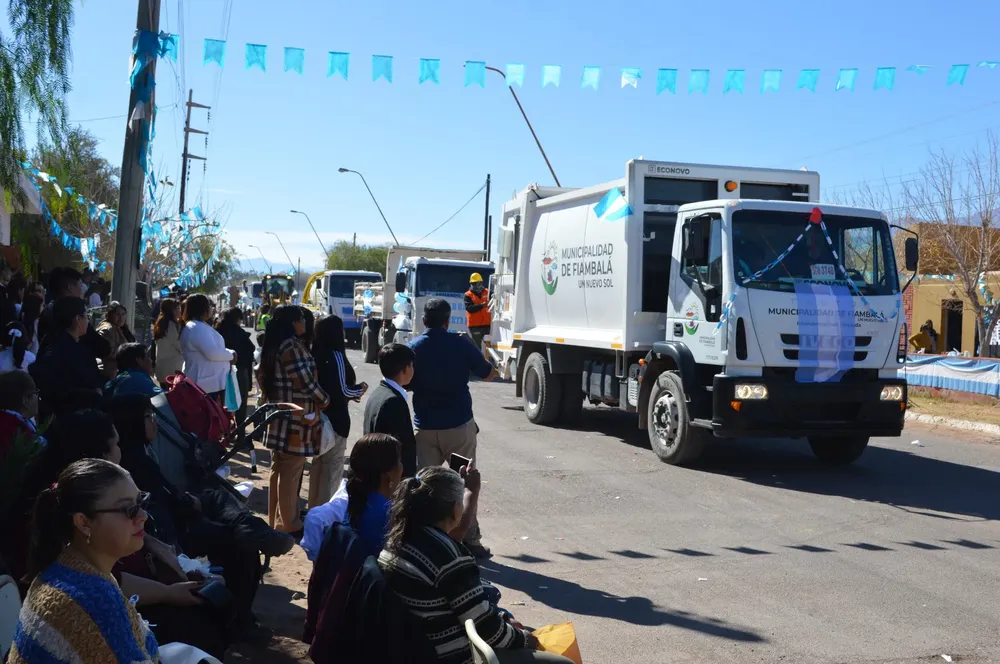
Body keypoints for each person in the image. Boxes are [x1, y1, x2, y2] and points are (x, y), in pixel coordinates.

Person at [108, 394, 279, 643]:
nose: (154, 422)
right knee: (239, 544)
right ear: (133, 422)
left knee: (217, 499)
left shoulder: (139, 455)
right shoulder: (133, 464)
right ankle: (241, 619)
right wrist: (187, 503)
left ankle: (252, 528)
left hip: (175, 518)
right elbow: (160, 506)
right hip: (175, 531)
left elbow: (165, 494)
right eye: (149, 417)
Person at [380, 466, 573, 664]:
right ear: (455, 509)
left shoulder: (398, 538)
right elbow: (487, 629)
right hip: (449, 654)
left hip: (413, 646)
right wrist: (525, 639)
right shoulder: (449, 556)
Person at [7, 458, 160, 663]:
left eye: (140, 502)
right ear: (84, 523)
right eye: (128, 509)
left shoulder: (64, 569)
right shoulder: (92, 600)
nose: (143, 515)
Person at [407, 298, 495, 559]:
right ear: (447, 321)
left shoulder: (413, 348)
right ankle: (469, 539)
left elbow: (406, 382)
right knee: (464, 481)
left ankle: (425, 539)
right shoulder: (460, 344)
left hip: (425, 429)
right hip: (458, 428)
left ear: (424, 321)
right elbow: (488, 373)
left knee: (426, 486)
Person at [258, 304, 330, 533]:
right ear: (292, 322)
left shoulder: (275, 346)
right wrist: (325, 399)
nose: (305, 323)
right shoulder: (290, 347)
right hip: (296, 419)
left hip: (282, 415)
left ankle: (277, 520)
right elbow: (306, 383)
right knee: (290, 471)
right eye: (300, 319)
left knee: (279, 469)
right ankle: (289, 523)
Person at [313, 315, 367, 506]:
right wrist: (361, 389)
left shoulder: (315, 352)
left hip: (317, 420)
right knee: (331, 473)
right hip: (335, 422)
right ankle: (327, 520)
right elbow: (343, 389)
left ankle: (314, 514)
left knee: (318, 470)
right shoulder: (335, 355)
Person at [29, 296, 105, 418]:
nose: (87, 320)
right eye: (86, 316)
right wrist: (85, 395)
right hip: (70, 417)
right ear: (77, 319)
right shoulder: (57, 346)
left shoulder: (76, 344)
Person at [345, 433, 405, 558]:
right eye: (399, 461)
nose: (402, 466)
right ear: (387, 473)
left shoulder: (357, 498)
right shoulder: (388, 513)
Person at [37, 267, 111, 365]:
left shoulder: (46, 312)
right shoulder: (74, 313)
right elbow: (101, 346)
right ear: (70, 287)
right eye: (80, 285)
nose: (82, 290)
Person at [364, 342, 418, 477]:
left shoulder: (378, 392)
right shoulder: (393, 401)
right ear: (404, 369)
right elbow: (396, 449)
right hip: (390, 481)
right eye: (411, 365)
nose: (413, 369)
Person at [180, 293, 236, 399]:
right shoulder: (196, 327)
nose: (212, 308)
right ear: (202, 308)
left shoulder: (198, 325)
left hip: (208, 384)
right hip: (204, 386)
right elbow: (212, 353)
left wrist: (228, 352)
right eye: (210, 305)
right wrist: (231, 355)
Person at [216, 307, 255, 439]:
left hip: (220, 373)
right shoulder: (240, 334)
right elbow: (250, 351)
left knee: (223, 404)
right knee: (240, 404)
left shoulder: (218, 332)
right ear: (237, 319)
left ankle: (225, 433)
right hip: (239, 373)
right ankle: (240, 435)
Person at [153, 296, 184, 385]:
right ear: (172, 310)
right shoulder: (170, 325)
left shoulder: (161, 322)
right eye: (178, 308)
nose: (180, 311)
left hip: (163, 366)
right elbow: (178, 344)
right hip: (171, 368)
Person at [96, 301, 129, 378]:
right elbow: (107, 352)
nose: (121, 317)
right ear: (109, 315)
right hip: (109, 371)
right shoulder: (107, 329)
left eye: (123, 314)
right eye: (117, 314)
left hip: (118, 369)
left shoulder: (120, 328)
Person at [464, 272, 492, 350]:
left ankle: (490, 362)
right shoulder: (468, 295)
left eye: (476, 283)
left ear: (480, 283)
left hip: (487, 325)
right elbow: (469, 308)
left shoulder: (488, 292)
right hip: (475, 326)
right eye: (473, 283)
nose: (474, 285)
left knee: (490, 349)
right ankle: (476, 362)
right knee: (476, 349)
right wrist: (482, 305)